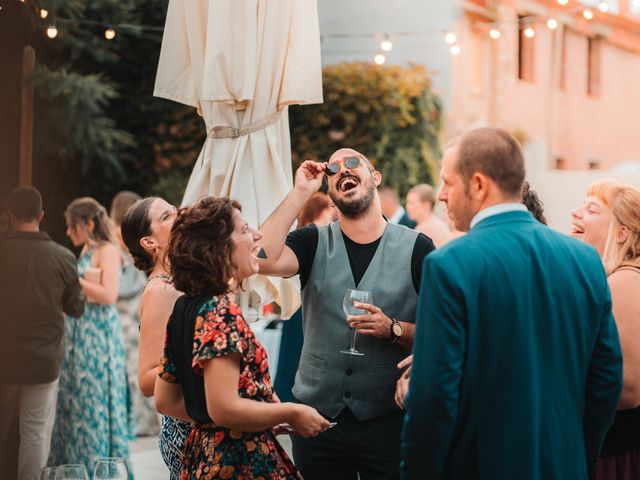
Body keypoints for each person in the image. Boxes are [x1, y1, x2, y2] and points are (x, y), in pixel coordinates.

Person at [401, 127, 623, 479]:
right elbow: (607, 380)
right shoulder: (583, 259)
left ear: (477, 184)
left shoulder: (450, 264)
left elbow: (434, 398)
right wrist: (576, 454)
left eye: (447, 182)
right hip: (563, 464)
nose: (441, 195)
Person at [258, 149, 435, 479]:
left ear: (375, 177)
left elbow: (439, 332)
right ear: (330, 191)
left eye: (352, 163)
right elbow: (262, 258)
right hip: (318, 422)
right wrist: (300, 192)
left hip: (388, 421)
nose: (342, 170)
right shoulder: (312, 241)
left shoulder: (419, 248)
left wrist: (393, 329)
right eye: (333, 170)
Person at [155, 196, 329, 479]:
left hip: (202, 455)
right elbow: (224, 408)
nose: (257, 235)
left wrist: (250, 417)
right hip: (237, 462)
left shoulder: (185, 306)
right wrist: (289, 413)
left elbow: (166, 399)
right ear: (219, 250)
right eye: (245, 230)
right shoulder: (221, 311)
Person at [0, 187, 84, 480]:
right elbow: (76, 308)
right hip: (44, 360)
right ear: (41, 215)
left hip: (4, 358)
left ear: (9, 215)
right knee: (34, 433)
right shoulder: (63, 257)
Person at [48, 197, 133, 474]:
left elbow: (109, 295)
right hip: (78, 336)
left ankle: (95, 468)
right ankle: (74, 469)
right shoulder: (86, 249)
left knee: (93, 405)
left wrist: (73, 278)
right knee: (76, 404)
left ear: (88, 223)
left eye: (73, 226)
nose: (69, 232)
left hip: (97, 340)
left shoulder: (107, 250)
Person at [571, 180, 640, 479]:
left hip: (618, 452)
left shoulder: (624, 281)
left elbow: (626, 390)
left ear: (622, 231)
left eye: (591, 209)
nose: (575, 213)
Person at [120, 197, 190, 479]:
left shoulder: (182, 280)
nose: (179, 215)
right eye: (166, 216)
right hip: (187, 422)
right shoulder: (161, 290)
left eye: (174, 209)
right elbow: (147, 379)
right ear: (149, 242)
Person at [274, 192, 333, 402]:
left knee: (291, 355)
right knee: (299, 353)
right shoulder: (314, 235)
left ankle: (285, 395)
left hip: (293, 304)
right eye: (329, 209)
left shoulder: (299, 233)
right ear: (322, 210)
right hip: (302, 304)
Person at [111, 191, 160, 437]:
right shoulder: (117, 245)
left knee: (135, 370)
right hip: (124, 316)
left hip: (129, 315)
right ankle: (140, 419)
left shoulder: (124, 246)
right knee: (131, 370)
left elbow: (128, 284)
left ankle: (146, 421)